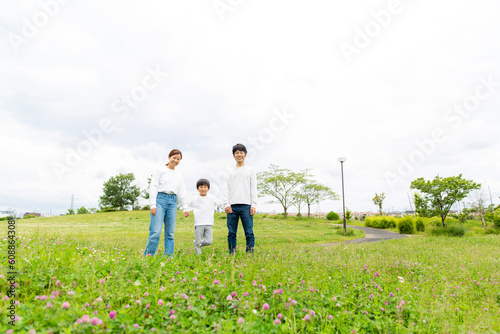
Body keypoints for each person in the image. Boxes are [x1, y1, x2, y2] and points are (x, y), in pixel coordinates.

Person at [144, 149, 189, 257]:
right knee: (155, 232)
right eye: (174, 158)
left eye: (178, 159)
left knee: (170, 233)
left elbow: (182, 192)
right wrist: (153, 204)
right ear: (169, 157)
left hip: (173, 202)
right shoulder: (160, 170)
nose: (176, 161)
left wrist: (185, 207)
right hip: (160, 200)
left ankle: (168, 258)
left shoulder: (179, 175)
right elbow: (153, 186)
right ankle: (148, 257)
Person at [222, 143, 257, 254]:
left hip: (246, 205)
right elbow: (225, 188)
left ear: (245, 155)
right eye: (237, 153)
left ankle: (250, 253)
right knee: (231, 232)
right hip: (232, 205)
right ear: (234, 155)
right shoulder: (229, 170)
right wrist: (226, 204)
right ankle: (232, 253)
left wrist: (254, 204)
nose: (239, 155)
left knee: (249, 232)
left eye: (241, 152)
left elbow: (253, 187)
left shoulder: (251, 170)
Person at [186, 178, 224, 255]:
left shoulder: (211, 197)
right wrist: (186, 210)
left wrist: (227, 207)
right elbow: (186, 204)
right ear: (198, 189)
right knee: (198, 243)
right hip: (198, 223)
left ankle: (196, 243)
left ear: (208, 188)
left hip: (209, 223)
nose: (203, 189)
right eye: (201, 187)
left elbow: (220, 204)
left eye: (205, 187)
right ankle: (198, 257)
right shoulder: (194, 198)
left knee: (209, 241)